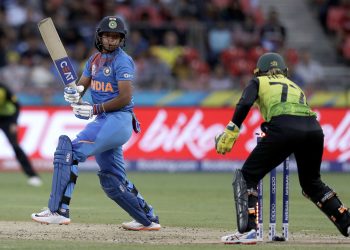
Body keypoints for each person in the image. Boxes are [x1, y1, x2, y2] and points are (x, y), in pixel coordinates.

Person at [31, 16, 161, 231]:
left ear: (122, 40)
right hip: (105, 121)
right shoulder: (94, 60)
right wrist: (75, 93)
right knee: (112, 179)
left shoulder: (123, 61)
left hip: (118, 119)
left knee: (68, 151)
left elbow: (126, 97)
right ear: (99, 37)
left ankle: (58, 210)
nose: (111, 41)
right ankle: (147, 218)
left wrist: (94, 108)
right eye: (107, 36)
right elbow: (82, 85)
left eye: (116, 37)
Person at [215, 52, 350, 244]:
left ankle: (248, 230)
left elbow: (245, 102)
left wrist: (231, 130)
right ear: (284, 71)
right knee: (312, 184)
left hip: (284, 128)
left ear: (258, 71)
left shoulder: (258, 81)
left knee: (247, 176)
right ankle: (347, 222)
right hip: (313, 129)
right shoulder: (294, 85)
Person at [0, 82, 42, 187]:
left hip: (7, 119)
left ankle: (32, 175)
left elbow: (17, 105)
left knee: (15, 146)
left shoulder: (3, 89)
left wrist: (14, 122)